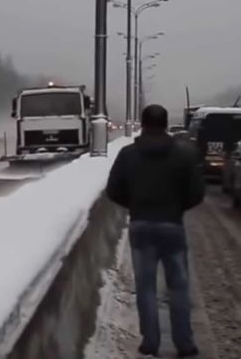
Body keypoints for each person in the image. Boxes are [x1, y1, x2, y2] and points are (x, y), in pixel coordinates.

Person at [106, 104, 205, 358]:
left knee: (147, 287)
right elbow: (197, 192)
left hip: (141, 227)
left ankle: (150, 343)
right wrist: (176, 208)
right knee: (178, 287)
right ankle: (185, 344)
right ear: (164, 123)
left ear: (144, 123)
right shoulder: (183, 154)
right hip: (172, 226)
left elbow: (113, 190)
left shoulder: (128, 155)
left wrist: (136, 205)